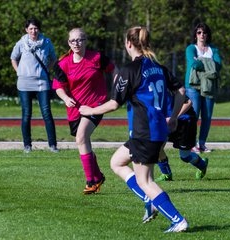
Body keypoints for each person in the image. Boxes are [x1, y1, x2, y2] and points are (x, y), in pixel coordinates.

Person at [79, 26, 188, 232]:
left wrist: (89, 109)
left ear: (129, 43)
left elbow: (113, 104)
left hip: (144, 132)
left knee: (145, 180)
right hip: (156, 131)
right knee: (116, 162)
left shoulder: (129, 70)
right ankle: (150, 200)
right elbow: (181, 90)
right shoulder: (159, 67)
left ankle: (177, 220)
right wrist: (173, 117)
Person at [52, 28, 114, 194]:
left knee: (81, 137)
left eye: (79, 40)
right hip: (75, 110)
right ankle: (98, 176)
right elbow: (58, 87)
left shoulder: (97, 58)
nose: (76, 43)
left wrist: (118, 89)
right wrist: (65, 98)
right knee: (82, 142)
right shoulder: (63, 64)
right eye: (73, 41)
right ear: (68, 43)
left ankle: (91, 182)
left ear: (86, 41)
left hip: (95, 105)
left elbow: (115, 71)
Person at [10, 17, 58, 153]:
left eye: (35, 28)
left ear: (39, 29)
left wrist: (46, 69)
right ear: (26, 30)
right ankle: (27, 145)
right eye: (30, 28)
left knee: (47, 113)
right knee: (26, 114)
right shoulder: (21, 42)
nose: (33, 31)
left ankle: (53, 145)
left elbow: (53, 58)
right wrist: (18, 71)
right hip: (24, 83)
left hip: (42, 82)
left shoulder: (46, 42)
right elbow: (13, 57)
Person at [185, 23, 221, 153]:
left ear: (208, 35)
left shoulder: (214, 50)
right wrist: (209, 65)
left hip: (209, 86)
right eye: (199, 32)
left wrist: (201, 62)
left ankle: (202, 144)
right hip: (192, 86)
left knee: (207, 116)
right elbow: (193, 63)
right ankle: (192, 144)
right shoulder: (191, 48)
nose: (202, 35)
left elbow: (218, 66)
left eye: (204, 32)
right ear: (195, 35)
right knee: (193, 116)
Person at [155, 93, 209, 182]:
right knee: (156, 148)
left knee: (185, 156)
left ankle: (202, 165)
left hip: (184, 123)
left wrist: (174, 117)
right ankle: (166, 174)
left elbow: (188, 102)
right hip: (166, 121)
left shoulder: (170, 84)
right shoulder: (150, 86)